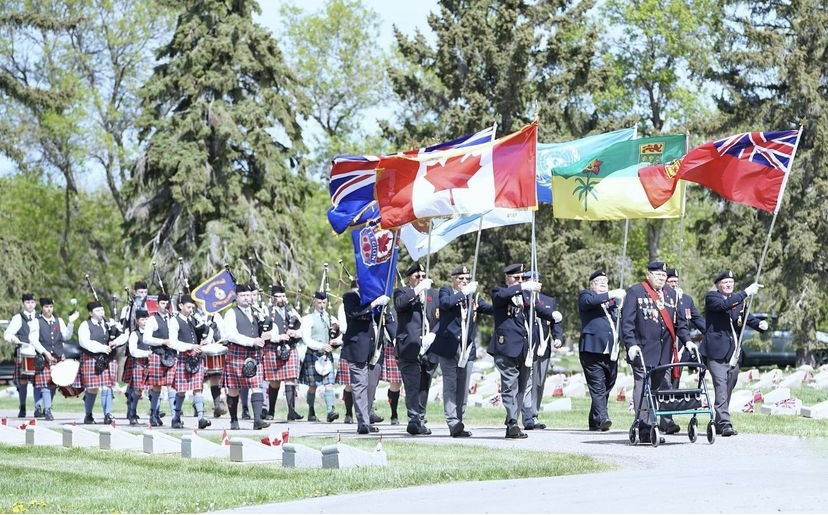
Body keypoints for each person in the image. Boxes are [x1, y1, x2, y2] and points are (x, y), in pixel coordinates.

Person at [621, 261, 691, 442]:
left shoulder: (672, 294)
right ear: (648, 275)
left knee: (656, 389)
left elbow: (680, 324)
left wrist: (688, 342)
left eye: (664, 275)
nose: (661, 278)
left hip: (664, 353)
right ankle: (645, 428)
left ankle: (653, 424)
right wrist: (631, 344)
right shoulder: (636, 292)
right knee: (642, 387)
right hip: (642, 350)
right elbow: (627, 323)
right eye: (658, 274)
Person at [489, 264, 558, 439]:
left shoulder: (526, 296)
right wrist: (523, 286)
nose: (520, 281)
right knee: (509, 385)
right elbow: (502, 297)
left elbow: (537, 310)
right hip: (506, 348)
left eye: (522, 278)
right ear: (507, 279)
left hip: (525, 349)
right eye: (516, 278)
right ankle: (513, 422)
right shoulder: (499, 292)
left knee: (521, 387)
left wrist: (552, 315)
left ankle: (512, 421)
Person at [700, 270, 766, 437]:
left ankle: (719, 422)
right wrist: (745, 293)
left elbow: (746, 317)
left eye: (731, 282)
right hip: (716, 353)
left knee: (728, 387)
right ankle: (725, 423)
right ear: (718, 285)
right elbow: (724, 306)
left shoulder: (737, 301)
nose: (729, 285)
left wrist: (760, 325)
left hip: (733, 354)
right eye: (725, 282)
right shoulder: (712, 297)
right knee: (721, 387)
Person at [430, 265, 493, 438]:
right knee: (450, 385)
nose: (464, 281)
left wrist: (506, 302)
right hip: (449, 347)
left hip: (467, 349)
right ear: (454, 279)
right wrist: (464, 293)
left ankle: (459, 420)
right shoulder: (446, 291)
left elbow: (489, 309)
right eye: (461, 279)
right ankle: (452, 421)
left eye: (467, 279)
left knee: (463, 388)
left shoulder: (474, 296)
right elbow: (445, 304)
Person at [393, 262, 439, 436]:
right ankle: (413, 419)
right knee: (412, 385)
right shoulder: (402, 292)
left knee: (424, 385)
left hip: (429, 347)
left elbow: (441, 317)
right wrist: (418, 289)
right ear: (409, 278)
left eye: (423, 276)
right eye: (417, 276)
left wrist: (433, 334)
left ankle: (420, 419)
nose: (421, 278)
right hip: (409, 347)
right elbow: (400, 305)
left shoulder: (433, 294)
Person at [578, 270, 625, 432]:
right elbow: (589, 302)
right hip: (592, 349)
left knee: (608, 384)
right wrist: (610, 294)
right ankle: (603, 418)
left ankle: (594, 419)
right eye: (599, 281)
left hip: (611, 351)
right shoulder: (586, 296)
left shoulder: (612, 303)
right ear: (592, 285)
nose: (603, 284)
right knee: (597, 385)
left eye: (605, 281)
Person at [340, 284, 390, 434]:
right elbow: (355, 313)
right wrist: (374, 303)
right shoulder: (350, 297)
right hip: (358, 348)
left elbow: (387, 320)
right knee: (360, 384)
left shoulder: (377, 297)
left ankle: (366, 418)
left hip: (375, 348)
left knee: (371, 386)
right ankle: (362, 422)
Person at [222, 283, 271, 430]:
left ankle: (257, 420)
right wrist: (252, 341)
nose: (246, 298)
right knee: (233, 388)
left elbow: (267, 328)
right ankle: (233, 420)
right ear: (236, 297)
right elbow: (231, 334)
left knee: (257, 386)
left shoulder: (257, 312)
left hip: (254, 354)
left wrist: (267, 334)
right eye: (242, 295)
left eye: (248, 295)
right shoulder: (231, 313)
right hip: (237, 353)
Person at [520, 271, 563, 430]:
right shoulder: (521, 298)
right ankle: (525, 415)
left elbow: (555, 321)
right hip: (527, 345)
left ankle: (534, 414)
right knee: (526, 382)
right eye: (529, 280)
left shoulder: (548, 301)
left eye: (536, 280)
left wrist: (558, 337)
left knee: (539, 382)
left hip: (543, 346)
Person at [77, 300, 128, 424]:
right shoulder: (85, 325)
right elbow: (84, 342)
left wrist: (116, 342)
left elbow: (124, 334)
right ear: (90, 313)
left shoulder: (110, 322)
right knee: (92, 388)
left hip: (108, 359)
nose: (101, 312)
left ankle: (107, 414)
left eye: (102, 310)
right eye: (97, 310)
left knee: (107, 386)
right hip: (92, 358)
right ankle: (88, 415)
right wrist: (102, 348)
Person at [31, 297, 79, 420]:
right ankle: (47, 410)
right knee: (45, 384)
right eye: (46, 307)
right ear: (42, 308)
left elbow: (67, 336)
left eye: (51, 307)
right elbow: (34, 340)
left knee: (53, 384)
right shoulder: (36, 321)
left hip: (57, 356)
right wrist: (45, 352)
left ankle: (48, 407)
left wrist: (71, 323)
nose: (49, 309)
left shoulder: (59, 320)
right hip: (43, 358)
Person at [168, 295, 210, 429]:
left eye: (192, 307)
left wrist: (204, 340)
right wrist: (190, 346)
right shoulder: (174, 321)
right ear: (181, 306)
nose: (191, 310)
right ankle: (176, 418)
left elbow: (202, 335)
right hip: (183, 357)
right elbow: (173, 342)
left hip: (196, 357)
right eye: (188, 307)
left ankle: (201, 418)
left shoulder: (194, 320)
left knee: (198, 388)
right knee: (181, 391)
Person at [262, 284, 303, 421]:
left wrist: (295, 333)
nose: (281, 298)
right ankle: (271, 411)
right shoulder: (267, 311)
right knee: (274, 381)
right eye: (278, 296)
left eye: (283, 296)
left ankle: (291, 411)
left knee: (290, 379)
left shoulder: (291, 310)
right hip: (273, 347)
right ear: (272, 297)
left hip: (290, 347)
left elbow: (301, 327)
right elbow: (265, 331)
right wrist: (279, 337)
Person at [299, 292, 342, 423]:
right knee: (313, 386)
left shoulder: (331, 318)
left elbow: (341, 332)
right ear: (314, 302)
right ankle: (311, 410)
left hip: (327, 355)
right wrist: (321, 346)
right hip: (314, 354)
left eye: (324, 303)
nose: (322, 305)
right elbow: (306, 339)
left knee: (329, 384)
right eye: (319, 302)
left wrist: (336, 341)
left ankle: (330, 411)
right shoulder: (308, 319)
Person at [4, 293, 40, 418]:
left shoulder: (40, 317)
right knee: (23, 381)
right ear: (23, 303)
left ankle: (38, 408)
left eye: (32, 302)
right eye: (27, 302)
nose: (30, 305)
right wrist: (13, 339)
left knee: (38, 381)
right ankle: (22, 406)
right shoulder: (18, 318)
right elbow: (7, 334)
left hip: (37, 352)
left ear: (35, 303)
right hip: (23, 351)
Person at [142, 293, 175, 426]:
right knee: (156, 386)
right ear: (157, 304)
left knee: (172, 386)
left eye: (167, 303)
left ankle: (175, 417)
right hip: (158, 354)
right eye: (162, 303)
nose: (165, 306)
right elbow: (146, 339)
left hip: (172, 355)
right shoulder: (152, 319)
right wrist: (163, 341)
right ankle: (154, 414)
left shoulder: (173, 319)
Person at [123, 309, 151, 425]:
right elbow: (133, 351)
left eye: (147, 319)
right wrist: (147, 353)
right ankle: (132, 412)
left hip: (152, 363)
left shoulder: (153, 333)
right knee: (138, 390)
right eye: (142, 319)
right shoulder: (135, 334)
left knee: (154, 389)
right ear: (137, 321)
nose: (145, 322)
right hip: (139, 363)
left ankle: (155, 413)